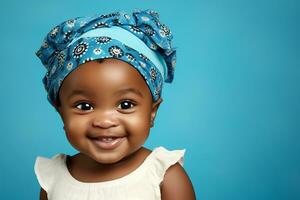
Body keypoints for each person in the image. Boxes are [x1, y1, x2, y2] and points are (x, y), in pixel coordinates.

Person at [34, 9, 196, 200]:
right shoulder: (53, 178)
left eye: (126, 104)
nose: (104, 121)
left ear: (152, 112)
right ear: (60, 112)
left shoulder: (164, 176)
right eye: (84, 106)